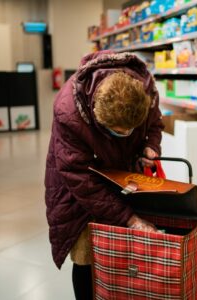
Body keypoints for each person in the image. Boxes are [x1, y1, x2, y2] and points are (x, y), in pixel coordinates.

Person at [44, 51, 164, 300]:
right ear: (97, 116)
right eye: (119, 131)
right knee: (86, 253)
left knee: (123, 252)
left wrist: (150, 145)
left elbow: (154, 124)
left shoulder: (145, 91)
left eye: (131, 129)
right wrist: (129, 218)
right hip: (80, 187)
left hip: (124, 178)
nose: (127, 133)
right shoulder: (69, 110)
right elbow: (78, 177)